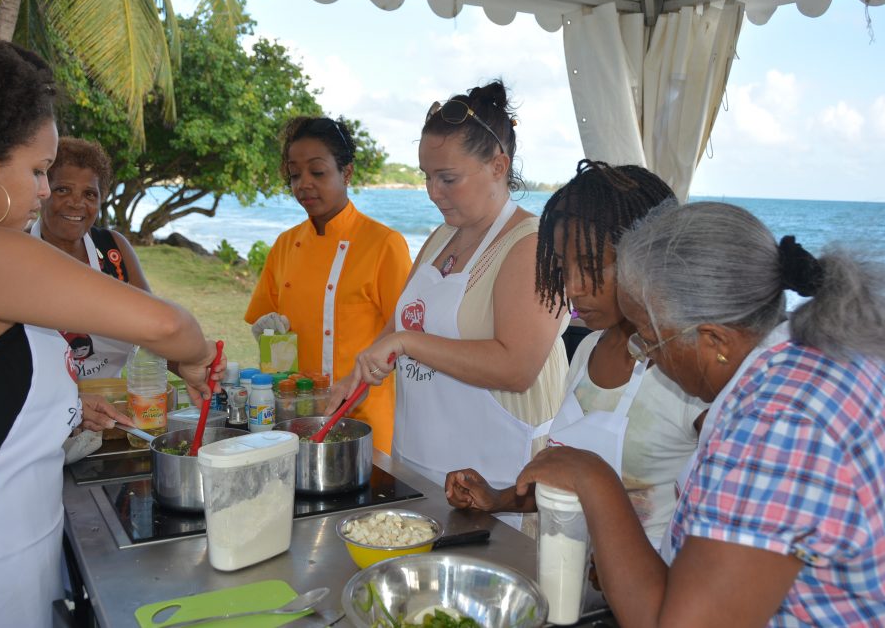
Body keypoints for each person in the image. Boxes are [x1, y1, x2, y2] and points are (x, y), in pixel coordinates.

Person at [0, 39, 223, 627]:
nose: (46, 190)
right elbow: (167, 323)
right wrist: (196, 358)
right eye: (37, 170)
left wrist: (66, 407)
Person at [517, 201, 885, 626]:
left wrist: (596, 481)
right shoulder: (820, 358)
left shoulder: (778, 423)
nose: (649, 358)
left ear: (715, 339)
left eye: (649, 339)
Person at [336, 81, 568, 521]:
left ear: (498, 166)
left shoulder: (532, 245)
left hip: (497, 484)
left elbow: (516, 368)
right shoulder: (441, 237)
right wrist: (358, 374)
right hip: (421, 464)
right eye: (426, 176)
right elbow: (403, 322)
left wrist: (406, 344)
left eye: (447, 178)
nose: (432, 192)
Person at [445, 160, 707, 548]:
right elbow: (565, 479)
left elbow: (719, 517)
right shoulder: (587, 351)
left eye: (590, 266)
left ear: (646, 257)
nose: (573, 287)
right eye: (564, 270)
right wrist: (497, 498)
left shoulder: (688, 376)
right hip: (573, 582)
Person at [245, 116, 411, 453]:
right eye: (294, 174)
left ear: (346, 173)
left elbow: (406, 334)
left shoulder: (383, 244)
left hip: (365, 418)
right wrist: (267, 333)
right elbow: (267, 322)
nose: (303, 184)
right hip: (295, 416)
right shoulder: (284, 245)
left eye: (317, 172)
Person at [31, 136, 152, 384]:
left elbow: (151, 328)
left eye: (89, 194)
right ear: (42, 191)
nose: (77, 203)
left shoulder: (113, 251)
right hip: (38, 411)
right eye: (63, 190)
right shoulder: (16, 250)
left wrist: (194, 365)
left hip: (110, 405)